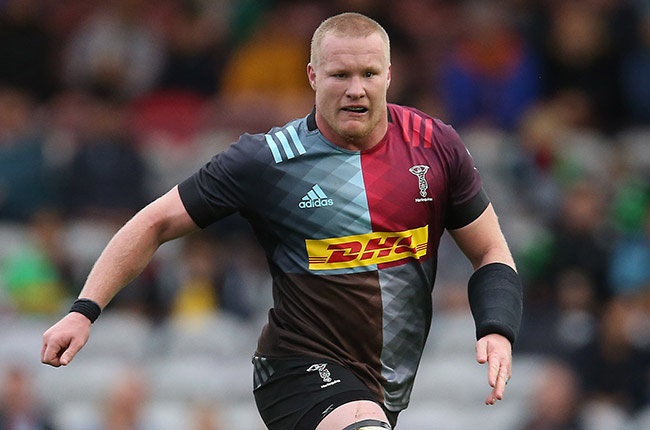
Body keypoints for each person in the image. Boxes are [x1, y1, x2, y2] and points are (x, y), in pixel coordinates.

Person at [41, 12, 523, 430]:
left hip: (384, 387)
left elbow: (491, 251)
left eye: (368, 74)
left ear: (390, 75)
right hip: (296, 369)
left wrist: (496, 326)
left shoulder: (434, 145)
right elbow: (155, 222)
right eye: (340, 75)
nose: (356, 89)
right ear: (313, 75)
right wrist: (84, 311)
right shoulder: (267, 159)